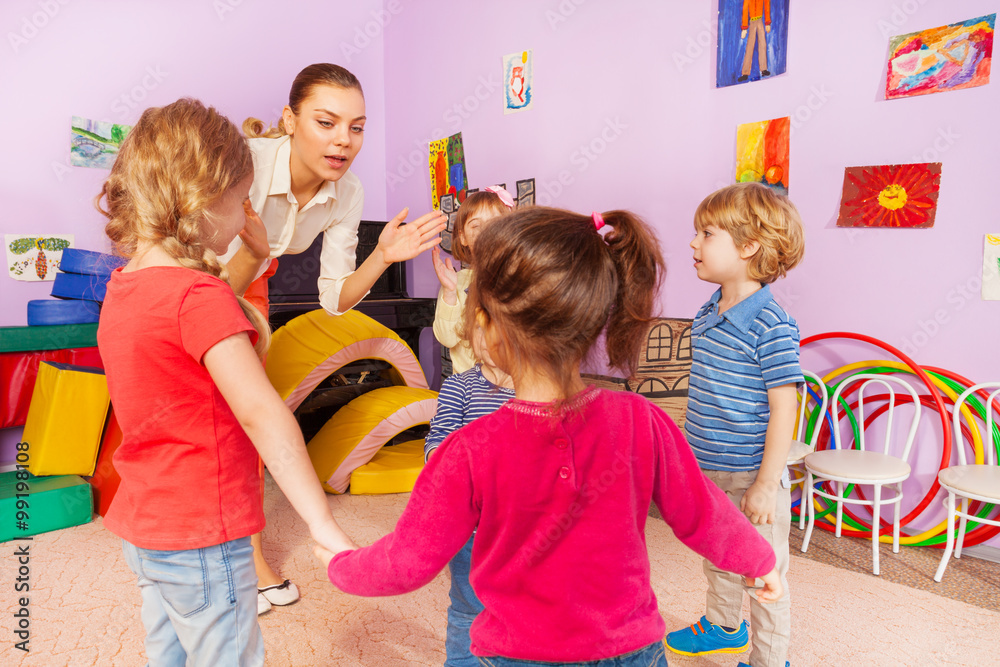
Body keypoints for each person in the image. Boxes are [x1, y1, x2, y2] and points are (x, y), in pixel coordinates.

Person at [315, 206, 782, 666]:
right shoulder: (643, 420)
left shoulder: (468, 450)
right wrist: (758, 561)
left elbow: (407, 561)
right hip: (632, 651)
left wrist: (340, 564)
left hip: (518, 656)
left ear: (487, 327)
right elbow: (704, 512)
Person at [95, 98, 356, 666]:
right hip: (204, 535)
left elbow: (187, 333)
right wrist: (322, 522)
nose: (243, 217)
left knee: (170, 653)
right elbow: (263, 416)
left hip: (147, 529)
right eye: (241, 201)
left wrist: (252, 261)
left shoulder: (125, 288)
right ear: (204, 200)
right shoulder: (198, 297)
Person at [220, 63, 445, 612]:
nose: (343, 140)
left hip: (255, 278)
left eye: (357, 127)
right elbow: (201, 260)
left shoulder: (348, 193)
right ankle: (237, 559)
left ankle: (244, 554)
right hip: (198, 269)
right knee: (228, 418)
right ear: (289, 119)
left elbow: (335, 299)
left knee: (250, 422)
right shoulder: (241, 165)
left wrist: (383, 256)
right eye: (326, 121)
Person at [665, 182, 805, 667]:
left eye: (706, 233)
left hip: (751, 475)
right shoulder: (709, 309)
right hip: (708, 469)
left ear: (748, 247)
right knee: (718, 553)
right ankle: (724, 626)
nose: (693, 243)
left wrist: (767, 483)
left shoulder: (772, 322)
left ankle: (769, 660)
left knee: (763, 574)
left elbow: (785, 407)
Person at [424, 353, 515, 666]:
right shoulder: (459, 386)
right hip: (472, 529)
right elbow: (439, 436)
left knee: (523, 606)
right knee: (468, 607)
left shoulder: (538, 388)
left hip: (525, 528)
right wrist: (447, 464)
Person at [431, 186, 513, 376]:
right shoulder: (456, 282)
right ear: (463, 237)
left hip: (513, 388)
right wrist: (450, 292)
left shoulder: (519, 280)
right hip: (468, 392)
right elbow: (447, 339)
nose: (486, 231)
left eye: (495, 223)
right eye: (476, 225)